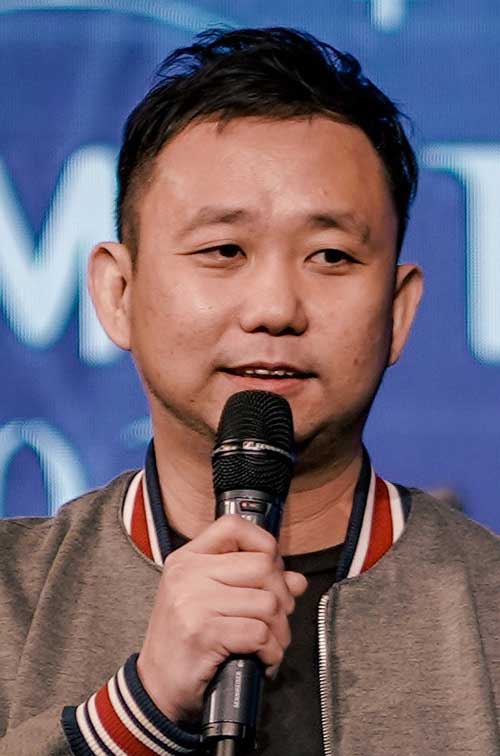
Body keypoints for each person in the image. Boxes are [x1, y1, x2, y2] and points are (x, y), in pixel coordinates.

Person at [1, 25, 499, 756]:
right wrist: (134, 715)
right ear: (117, 292)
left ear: (398, 312)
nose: (274, 308)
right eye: (224, 250)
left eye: (330, 256)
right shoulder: (12, 599)